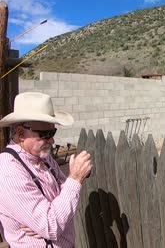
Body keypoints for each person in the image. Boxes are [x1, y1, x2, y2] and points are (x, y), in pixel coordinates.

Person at [0, 92, 92, 248]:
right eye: (45, 134)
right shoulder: (9, 172)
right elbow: (52, 226)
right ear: (21, 133)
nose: (52, 140)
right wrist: (75, 179)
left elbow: (63, 202)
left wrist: (47, 222)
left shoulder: (42, 156)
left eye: (53, 132)